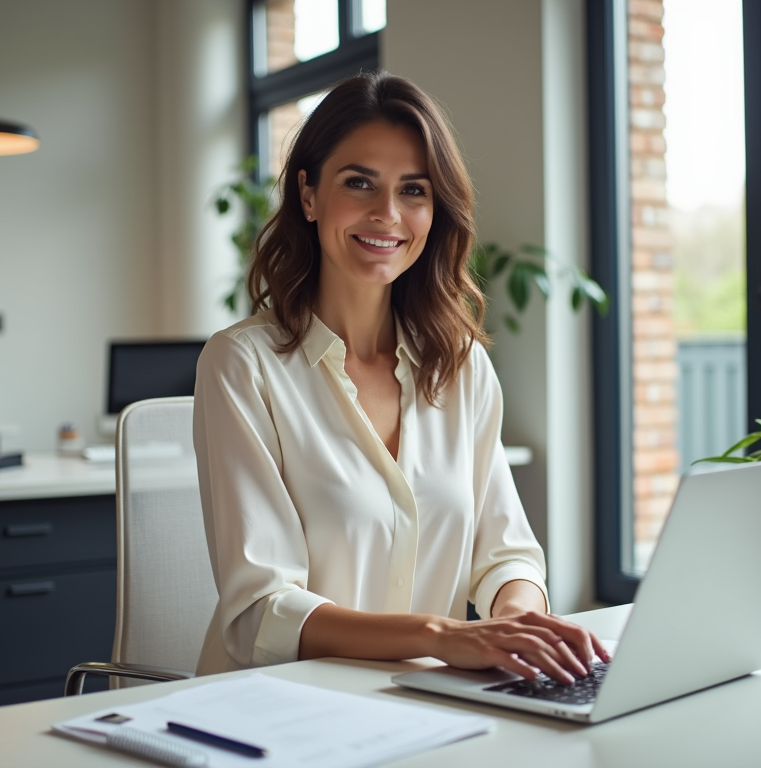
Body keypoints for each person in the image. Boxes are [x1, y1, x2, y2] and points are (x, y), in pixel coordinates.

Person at [193, 71, 610, 682]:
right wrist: (442, 636)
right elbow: (262, 612)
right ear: (308, 195)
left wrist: (519, 625)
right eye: (358, 182)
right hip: (274, 713)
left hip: (424, 707)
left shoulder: (460, 363)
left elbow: (507, 554)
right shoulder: (242, 366)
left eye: (413, 190)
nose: (387, 214)